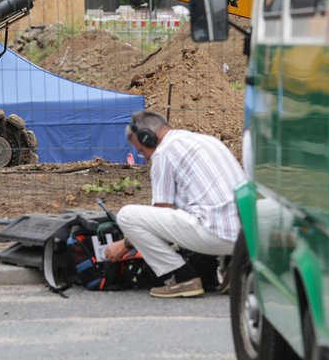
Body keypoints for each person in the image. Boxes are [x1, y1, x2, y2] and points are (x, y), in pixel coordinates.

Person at [104, 110, 243, 298]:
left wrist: (125, 245)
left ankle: (180, 278)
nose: (144, 158)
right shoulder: (207, 141)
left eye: (142, 151)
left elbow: (161, 217)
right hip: (246, 237)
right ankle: (233, 268)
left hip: (216, 235)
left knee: (127, 216)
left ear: (148, 138)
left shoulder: (164, 153)